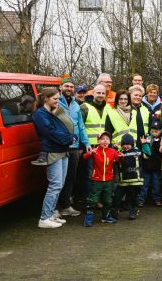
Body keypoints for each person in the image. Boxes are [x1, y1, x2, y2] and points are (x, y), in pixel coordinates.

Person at [32, 87, 76, 229]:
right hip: (53, 152)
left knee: (59, 185)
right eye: (55, 99)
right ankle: (44, 218)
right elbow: (50, 132)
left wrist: (70, 138)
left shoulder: (50, 112)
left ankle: (51, 214)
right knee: (55, 185)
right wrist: (70, 139)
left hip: (62, 151)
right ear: (46, 99)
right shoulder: (40, 114)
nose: (58, 101)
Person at [57, 75, 90, 218]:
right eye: (66, 86)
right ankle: (55, 207)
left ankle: (66, 205)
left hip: (75, 146)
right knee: (59, 178)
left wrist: (87, 143)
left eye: (71, 86)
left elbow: (81, 126)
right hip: (60, 146)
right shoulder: (56, 102)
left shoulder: (76, 105)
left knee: (70, 177)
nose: (69, 88)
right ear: (61, 88)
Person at [82, 131, 121, 226]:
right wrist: (90, 152)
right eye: (103, 139)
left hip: (109, 180)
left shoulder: (112, 151)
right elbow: (84, 157)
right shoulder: (95, 150)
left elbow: (119, 159)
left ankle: (105, 217)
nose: (105, 141)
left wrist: (120, 155)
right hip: (96, 180)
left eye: (107, 139)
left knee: (108, 200)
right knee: (93, 199)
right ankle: (88, 218)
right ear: (98, 140)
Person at [112, 134, 148, 220]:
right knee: (117, 197)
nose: (125, 146)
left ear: (132, 144)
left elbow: (147, 155)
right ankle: (113, 212)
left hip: (135, 181)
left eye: (128, 144)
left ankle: (133, 211)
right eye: (123, 144)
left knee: (134, 198)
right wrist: (115, 149)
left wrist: (145, 144)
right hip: (122, 182)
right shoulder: (120, 153)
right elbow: (112, 158)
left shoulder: (138, 152)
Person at [139, 120, 162, 207]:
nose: (154, 133)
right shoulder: (147, 138)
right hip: (147, 166)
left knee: (156, 183)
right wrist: (144, 143)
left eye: (156, 131)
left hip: (157, 166)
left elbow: (161, 152)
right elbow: (145, 152)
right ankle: (141, 199)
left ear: (161, 130)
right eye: (152, 131)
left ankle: (157, 199)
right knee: (145, 184)